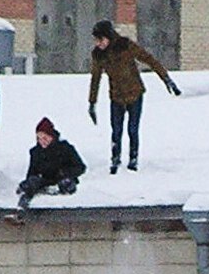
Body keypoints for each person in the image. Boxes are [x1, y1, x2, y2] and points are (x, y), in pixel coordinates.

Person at [87, 19, 180, 174]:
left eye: (100, 39)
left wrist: (166, 79)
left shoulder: (125, 45)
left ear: (109, 37)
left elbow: (149, 59)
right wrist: (92, 103)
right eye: (96, 40)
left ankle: (133, 158)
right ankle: (115, 159)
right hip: (116, 96)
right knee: (116, 130)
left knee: (132, 129)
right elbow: (95, 78)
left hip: (135, 93)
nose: (98, 44)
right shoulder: (98, 55)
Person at [14, 117, 85, 217]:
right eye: (39, 138)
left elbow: (80, 167)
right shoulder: (35, 152)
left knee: (66, 183)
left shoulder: (65, 148)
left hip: (63, 178)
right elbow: (32, 172)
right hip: (45, 179)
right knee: (31, 183)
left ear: (51, 136)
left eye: (45, 138)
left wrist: (65, 173)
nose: (42, 141)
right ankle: (21, 210)